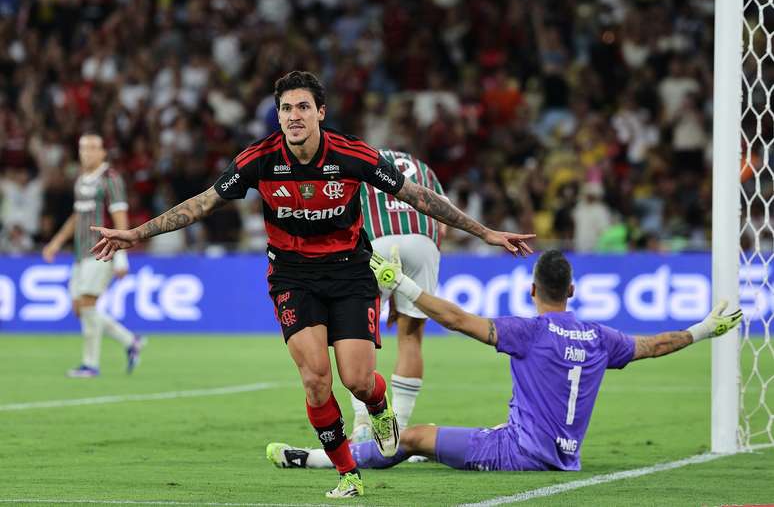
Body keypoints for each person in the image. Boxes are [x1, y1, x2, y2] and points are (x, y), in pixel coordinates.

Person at [89, 71, 535, 498]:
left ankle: (379, 409)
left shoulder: (351, 155)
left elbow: (418, 196)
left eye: (303, 107)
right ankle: (348, 473)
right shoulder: (258, 159)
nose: (294, 116)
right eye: (286, 109)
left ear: (321, 112)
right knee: (316, 381)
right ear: (278, 116)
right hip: (291, 277)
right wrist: (135, 233)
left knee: (358, 380)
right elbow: (203, 203)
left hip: (350, 271)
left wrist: (486, 233)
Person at [266, 249, 742, 473]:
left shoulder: (529, 331)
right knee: (441, 446)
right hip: (564, 454)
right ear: (572, 291)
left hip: (518, 451)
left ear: (534, 290)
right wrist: (705, 328)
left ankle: (308, 459)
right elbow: (655, 345)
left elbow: (456, 319)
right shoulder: (601, 337)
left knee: (408, 439)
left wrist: (403, 285)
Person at [351, 150, 446, 444]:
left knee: (354, 334)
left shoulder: (356, 158)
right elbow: (442, 218)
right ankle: (398, 431)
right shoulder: (423, 167)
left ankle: (364, 423)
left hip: (375, 241)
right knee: (411, 338)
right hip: (423, 242)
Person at [42, 133, 143, 378]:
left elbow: (120, 216)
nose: (86, 152)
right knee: (80, 307)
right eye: (83, 148)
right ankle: (130, 341)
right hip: (80, 253)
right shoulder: (81, 180)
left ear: (103, 152)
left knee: (88, 305)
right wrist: (55, 243)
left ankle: (90, 365)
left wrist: (121, 256)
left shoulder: (110, 179)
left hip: (102, 251)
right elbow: (77, 216)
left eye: (92, 148)